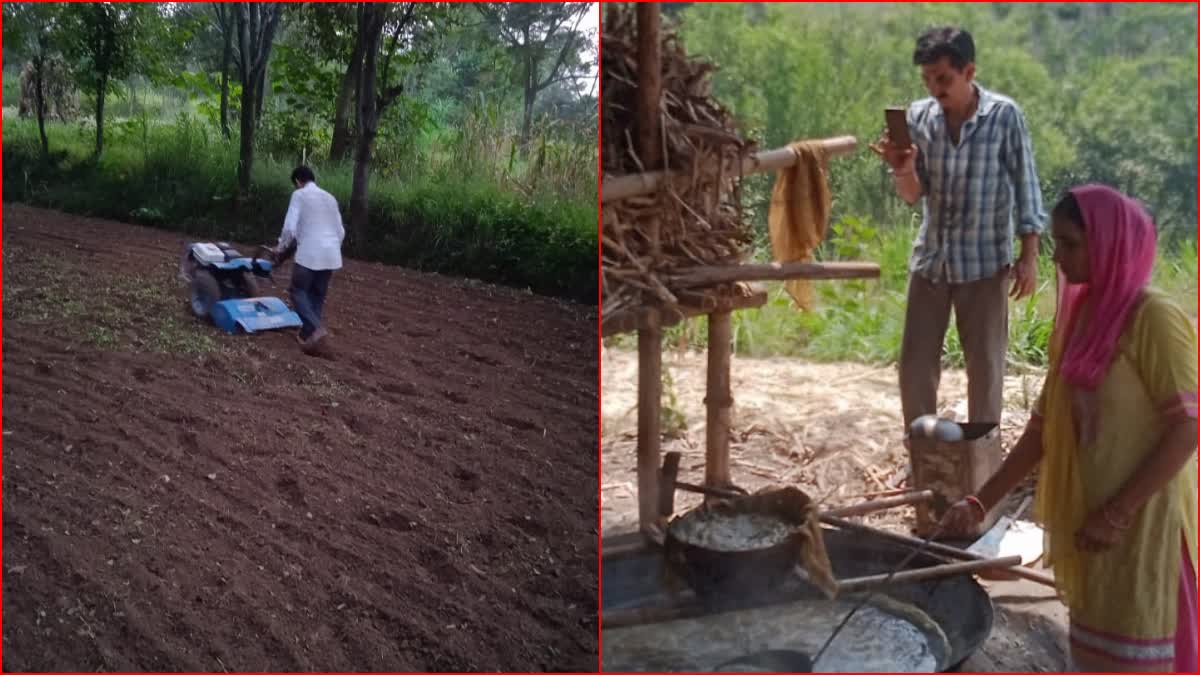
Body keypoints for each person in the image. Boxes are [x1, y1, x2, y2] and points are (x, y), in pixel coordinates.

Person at [942, 184, 1198, 672]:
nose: (1058, 258)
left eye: (1071, 243)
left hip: (1143, 523)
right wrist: (980, 501)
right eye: (1056, 243)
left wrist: (1119, 512)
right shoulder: (1081, 321)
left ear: (1110, 241)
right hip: (1091, 524)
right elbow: (1042, 429)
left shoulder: (1154, 319)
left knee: (1142, 649)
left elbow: (1187, 427)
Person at [870, 26, 1047, 436]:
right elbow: (915, 195)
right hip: (933, 259)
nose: (935, 88)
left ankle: (981, 460)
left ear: (969, 72)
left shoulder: (1004, 116)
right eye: (928, 80)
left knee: (984, 366)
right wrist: (903, 168)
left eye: (944, 79)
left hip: (984, 263)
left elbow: (1026, 185)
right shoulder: (919, 118)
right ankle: (921, 450)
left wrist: (1029, 256)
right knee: (915, 365)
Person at [272, 165, 345, 353]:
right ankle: (308, 335)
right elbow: (341, 232)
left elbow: (289, 229)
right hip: (331, 254)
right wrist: (331, 247)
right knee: (317, 294)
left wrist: (280, 249)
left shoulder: (299, 195)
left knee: (297, 290)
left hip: (310, 252)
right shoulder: (330, 198)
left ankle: (316, 329)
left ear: (298, 181)